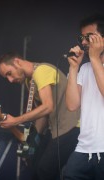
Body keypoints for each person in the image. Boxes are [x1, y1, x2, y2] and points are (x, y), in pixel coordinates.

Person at [0, 52, 80, 180]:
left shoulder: (41, 71)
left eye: (9, 73)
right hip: (56, 129)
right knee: (34, 167)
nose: (10, 80)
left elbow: (48, 106)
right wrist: (33, 139)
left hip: (71, 127)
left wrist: (15, 121)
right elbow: (43, 114)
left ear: (17, 62)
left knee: (45, 170)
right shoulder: (28, 81)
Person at [64, 13, 104, 179]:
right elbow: (72, 105)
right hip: (83, 149)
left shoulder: (92, 64)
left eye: (89, 37)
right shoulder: (85, 68)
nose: (84, 42)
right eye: (82, 37)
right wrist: (74, 68)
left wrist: (95, 59)